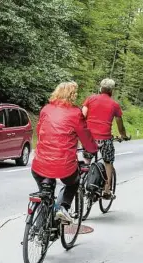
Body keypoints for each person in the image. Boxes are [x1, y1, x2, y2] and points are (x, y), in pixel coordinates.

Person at [32, 81, 98, 222]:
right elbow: (85, 137)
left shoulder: (46, 109)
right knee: (73, 182)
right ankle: (64, 207)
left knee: (46, 188)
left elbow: (39, 131)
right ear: (72, 95)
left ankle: (42, 221)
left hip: (39, 163)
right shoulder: (75, 113)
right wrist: (92, 149)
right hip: (64, 165)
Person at [82, 78, 129, 199]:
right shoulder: (114, 105)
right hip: (105, 138)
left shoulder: (90, 99)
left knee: (87, 160)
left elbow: (82, 115)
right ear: (111, 91)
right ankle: (107, 191)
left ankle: (82, 183)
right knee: (108, 162)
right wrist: (123, 136)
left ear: (100, 88)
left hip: (88, 137)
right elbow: (120, 125)